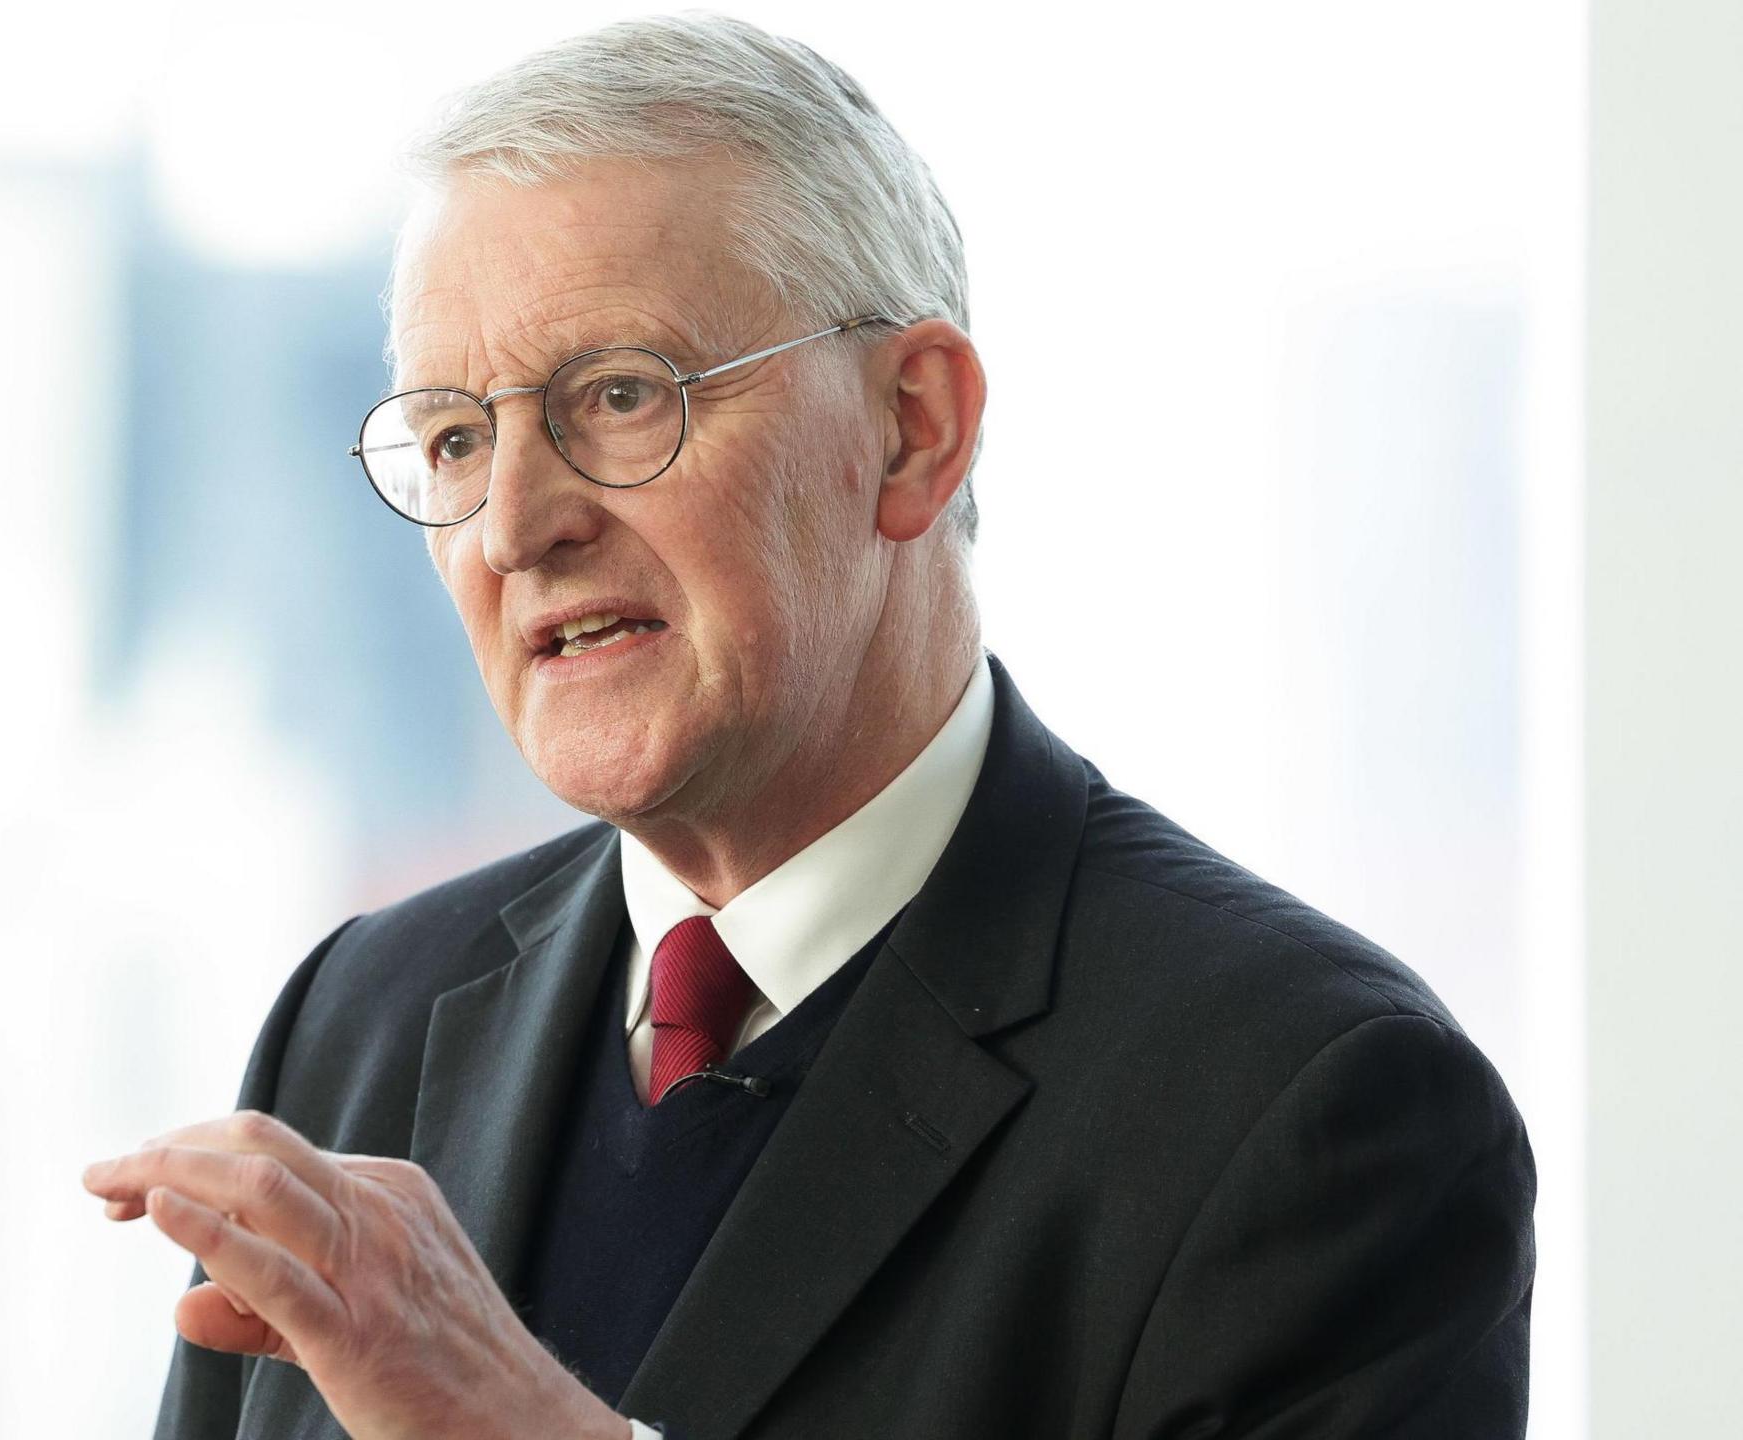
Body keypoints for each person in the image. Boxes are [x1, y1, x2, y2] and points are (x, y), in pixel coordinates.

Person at [81, 14, 1536, 1438]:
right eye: (458, 437)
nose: (515, 528)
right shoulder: (360, 1018)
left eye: (619, 397)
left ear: (914, 428)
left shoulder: (1311, 1106)